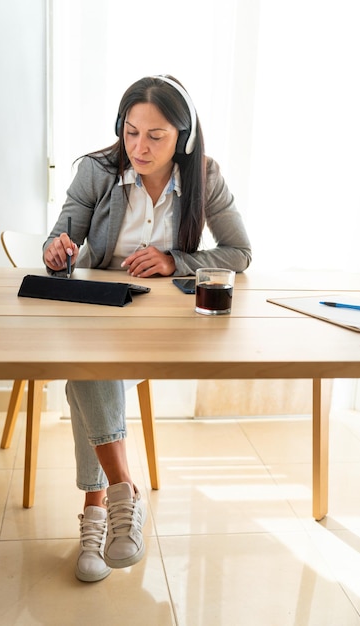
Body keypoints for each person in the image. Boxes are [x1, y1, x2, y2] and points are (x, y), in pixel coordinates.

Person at [42, 75, 252, 583]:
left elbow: (238, 253)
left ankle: (99, 510)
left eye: (155, 136)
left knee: (86, 371)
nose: (139, 147)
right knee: (90, 365)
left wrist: (174, 260)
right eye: (131, 132)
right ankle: (119, 498)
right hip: (99, 311)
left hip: (162, 324)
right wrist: (57, 252)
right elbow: (60, 238)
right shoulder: (97, 171)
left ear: (184, 137)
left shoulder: (205, 177)